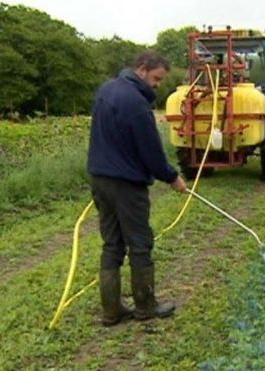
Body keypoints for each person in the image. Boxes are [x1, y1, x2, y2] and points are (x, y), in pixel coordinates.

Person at [87, 52, 187, 326]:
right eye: (156, 78)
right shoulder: (136, 104)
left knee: (112, 244)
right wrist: (172, 177)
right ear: (141, 70)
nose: (157, 85)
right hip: (126, 185)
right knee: (140, 243)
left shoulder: (106, 89)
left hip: (99, 179)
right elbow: (151, 152)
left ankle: (112, 311)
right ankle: (146, 306)